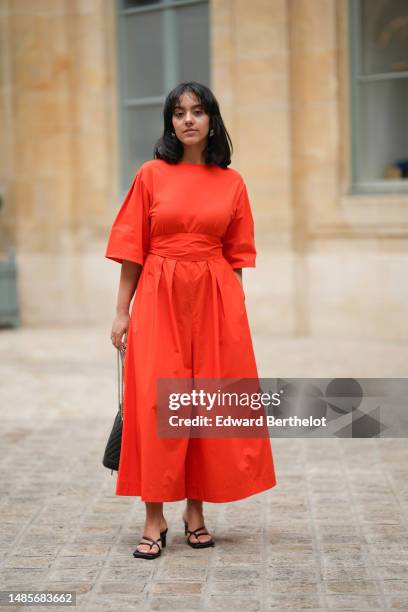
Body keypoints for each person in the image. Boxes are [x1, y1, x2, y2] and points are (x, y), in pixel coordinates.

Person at [105, 81, 277, 560]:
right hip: (159, 293)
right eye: (179, 112)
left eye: (197, 111)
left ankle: (195, 512)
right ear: (170, 122)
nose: (188, 120)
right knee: (157, 403)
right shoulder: (150, 175)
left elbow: (237, 256)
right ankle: (154, 516)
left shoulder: (233, 182)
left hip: (216, 297)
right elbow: (130, 249)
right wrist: (122, 311)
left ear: (211, 120)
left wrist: (234, 317)